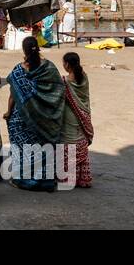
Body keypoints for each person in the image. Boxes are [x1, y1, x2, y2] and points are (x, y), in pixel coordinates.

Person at [4, 36, 65, 191]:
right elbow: (58, 90)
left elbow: (13, 94)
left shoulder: (18, 71)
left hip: (21, 116)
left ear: (24, 50)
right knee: (43, 147)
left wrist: (8, 112)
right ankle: (45, 180)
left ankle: (22, 179)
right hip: (44, 117)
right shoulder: (50, 68)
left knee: (20, 147)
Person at [60, 52, 93, 188]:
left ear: (67, 64)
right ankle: (82, 179)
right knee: (80, 140)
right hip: (83, 116)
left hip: (70, 116)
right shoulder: (84, 77)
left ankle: (68, 178)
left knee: (69, 141)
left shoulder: (65, 82)